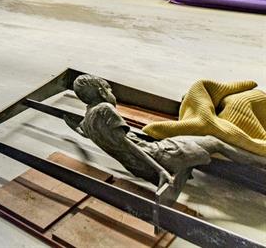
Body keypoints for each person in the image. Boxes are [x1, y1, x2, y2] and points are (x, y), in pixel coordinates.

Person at [67, 74, 266, 205]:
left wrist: (71, 124)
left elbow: (84, 132)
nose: (112, 93)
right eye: (109, 89)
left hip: (138, 165)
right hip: (158, 155)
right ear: (102, 91)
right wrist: (161, 170)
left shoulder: (88, 119)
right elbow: (128, 144)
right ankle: (261, 160)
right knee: (215, 141)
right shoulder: (104, 110)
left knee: (203, 139)